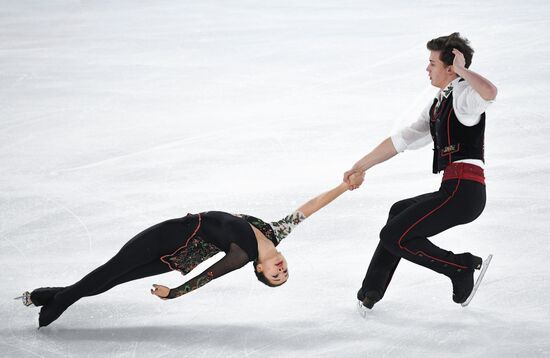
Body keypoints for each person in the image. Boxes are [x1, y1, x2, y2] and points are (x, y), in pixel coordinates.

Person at [19, 172, 365, 327]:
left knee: (112, 280)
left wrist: (173, 294)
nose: (280, 269)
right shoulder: (275, 231)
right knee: (108, 274)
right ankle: (56, 297)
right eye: (284, 272)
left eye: (275, 276)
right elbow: (311, 205)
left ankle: (52, 295)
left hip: (174, 261)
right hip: (164, 237)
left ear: (260, 271)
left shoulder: (241, 255)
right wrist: (343, 185)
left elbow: (207, 276)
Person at [344, 33, 497, 310]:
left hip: (465, 193)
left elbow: (490, 93)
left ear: (450, 68)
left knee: (394, 236)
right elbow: (404, 138)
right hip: (452, 190)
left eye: (433, 63)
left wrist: (463, 70)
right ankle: (371, 291)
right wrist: (360, 166)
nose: (427, 69)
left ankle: (460, 267)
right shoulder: (440, 102)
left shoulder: (465, 96)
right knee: (398, 211)